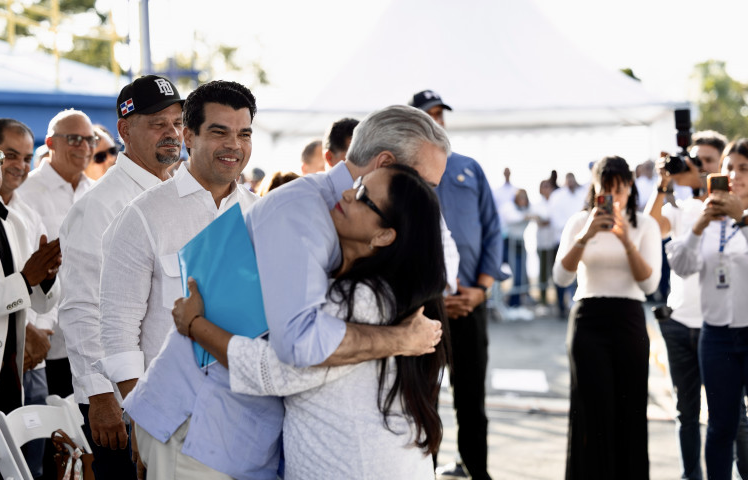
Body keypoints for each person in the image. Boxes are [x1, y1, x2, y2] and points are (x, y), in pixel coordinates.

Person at [122, 104, 449, 479]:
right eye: (425, 184)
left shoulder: (365, 260)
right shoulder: (304, 212)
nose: (429, 202)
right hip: (199, 424)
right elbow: (298, 346)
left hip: (234, 432)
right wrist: (400, 340)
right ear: (385, 163)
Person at [95, 80, 261, 479]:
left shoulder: (261, 214)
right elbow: (118, 328)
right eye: (219, 132)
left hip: (253, 418)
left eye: (244, 134)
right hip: (175, 422)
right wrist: (143, 418)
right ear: (189, 136)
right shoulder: (144, 214)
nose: (234, 145)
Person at [57, 74, 184, 479]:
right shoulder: (99, 206)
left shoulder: (182, 195)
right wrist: (99, 396)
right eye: (158, 123)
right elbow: (81, 306)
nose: (172, 133)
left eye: (178, 122)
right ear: (125, 131)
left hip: (173, 391)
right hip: (120, 400)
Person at [408, 88, 503, 480]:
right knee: (422, 399)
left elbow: (493, 230)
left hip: (470, 304)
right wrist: (433, 296)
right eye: (429, 115)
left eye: (440, 114)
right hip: (424, 307)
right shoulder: (402, 172)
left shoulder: (469, 168)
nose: (438, 121)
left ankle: (476, 470)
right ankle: (422, 472)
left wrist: (481, 289)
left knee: (471, 398)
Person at [646, 131, 748, 479]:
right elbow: (677, 259)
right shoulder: (695, 211)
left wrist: (741, 219)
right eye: (729, 168)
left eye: (743, 168)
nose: (733, 176)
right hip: (706, 332)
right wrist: (697, 224)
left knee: (740, 423)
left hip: (740, 328)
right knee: (710, 422)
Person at [553, 155, 662, 479]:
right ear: (595, 189)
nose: (613, 197)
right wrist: (585, 236)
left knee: (630, 408)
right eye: (606, 190)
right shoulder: (579, 222)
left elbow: (650, 284)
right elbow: (560, 277)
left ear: (630, 187)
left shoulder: (645, 224)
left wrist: (626, 241)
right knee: (591, 410)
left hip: (629, 318)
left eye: (619, 189)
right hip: (588, 317)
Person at [0, 132, 61, 479]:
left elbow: (36, 302)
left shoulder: (12, 220)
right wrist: (27, 279)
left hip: (12, 375)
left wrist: (46, 278)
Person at [16, 109, 96, 401]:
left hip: (91, 339)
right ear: (50, 143)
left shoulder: (97, 193)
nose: (84, 147)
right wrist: (36, 332)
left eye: (90, 140)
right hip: (43, 342)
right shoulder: (24, 192)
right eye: (74, 139)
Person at [549, 172, 588, 316]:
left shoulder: (581, 195)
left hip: (581, 241)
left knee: (578, 275)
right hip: (561, 240)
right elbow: (555, 219)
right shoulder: (557, 196)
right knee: (561, 273)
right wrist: (572, 227)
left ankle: (575, 305)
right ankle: (561, 306)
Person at [500, 188, 534, 309]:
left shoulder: (528, 208)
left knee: (521, 275)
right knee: (507, 274)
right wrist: (527, 216)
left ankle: (515, 303)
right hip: (507, 243)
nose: (522, 200)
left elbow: (541, 214)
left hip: (519, 243)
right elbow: (511, 218)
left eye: (524, 197)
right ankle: (504, 301)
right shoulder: (509, 207)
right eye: (520, 197)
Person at [533, 179, 559, 311]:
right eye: (544, 186)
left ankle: (558, 300)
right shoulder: (538, 204)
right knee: (543, 272)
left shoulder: (556, 202)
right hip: (542, 243)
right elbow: (541, 220)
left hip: (554, 242)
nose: (546, 189)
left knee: (555, 271)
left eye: (548, 186)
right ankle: (543, 300)